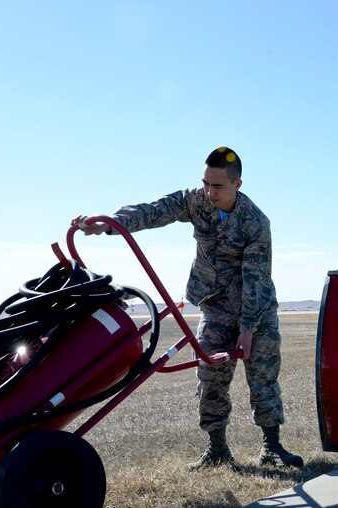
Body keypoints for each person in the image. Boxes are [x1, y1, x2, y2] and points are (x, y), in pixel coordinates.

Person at [72, 146, 303, 470]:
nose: (209, 192)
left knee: (262, 378)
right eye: (206, 183)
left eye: (218, 186)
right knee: (209, 378)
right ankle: (217, 449)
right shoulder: (196, 201)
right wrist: (109, 224)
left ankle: (272, 447)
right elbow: (156, 209)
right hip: (215, 307)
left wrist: (248, 330)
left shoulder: (255, 222)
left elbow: (255, 279)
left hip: (257, 312)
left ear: (237, 184)